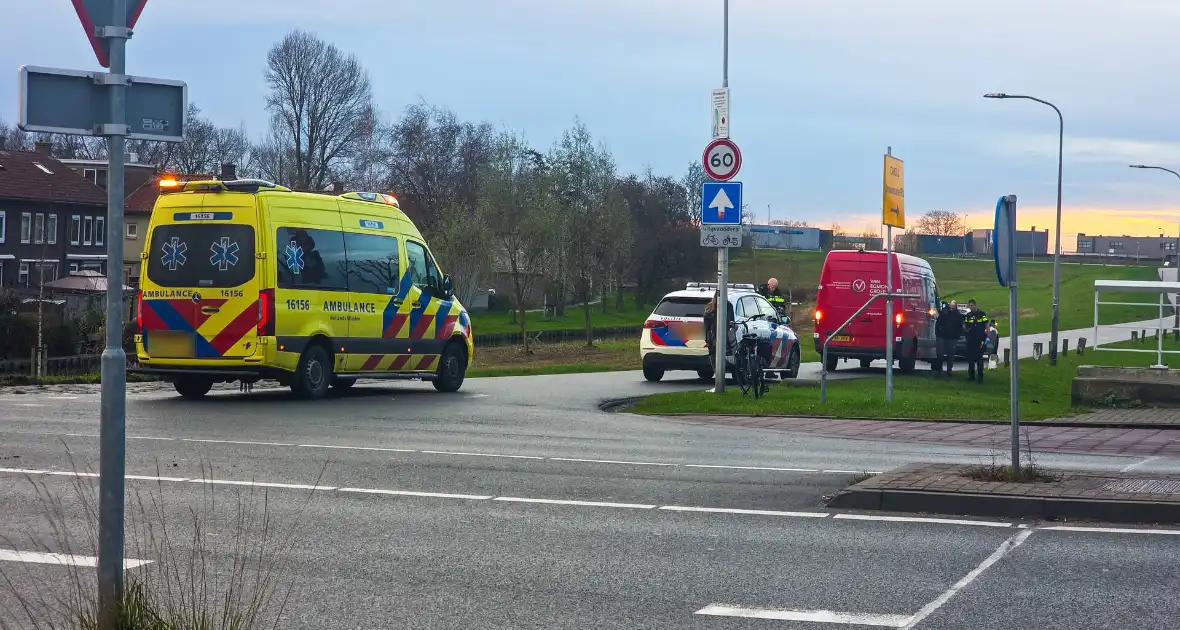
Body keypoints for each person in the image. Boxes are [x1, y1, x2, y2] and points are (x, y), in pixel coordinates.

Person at [934, 299, 964, 376]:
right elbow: (938, 324)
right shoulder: (944, 313)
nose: (952, 308)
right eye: (951, 306)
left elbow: (960, 326)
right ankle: (939, 368)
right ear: (949, 305)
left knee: (950, 355)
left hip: (952, 337)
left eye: (954, 306)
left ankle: (949, 370)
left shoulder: (958, 315)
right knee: (940, 353)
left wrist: (957, 335)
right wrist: (939, 332)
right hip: (941, 336)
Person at [963, 299, 989, 382]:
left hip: (980, 339)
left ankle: (980, 377)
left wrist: (988, 336)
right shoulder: (968, 315)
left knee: (979, 359)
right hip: (971, 340)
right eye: (969, 305)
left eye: (972, 305)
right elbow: (965, 327)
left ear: (975, 305)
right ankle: (971, 376)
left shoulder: (981, 314)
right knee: (970, 359)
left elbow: (987, 325)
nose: (971, 307)